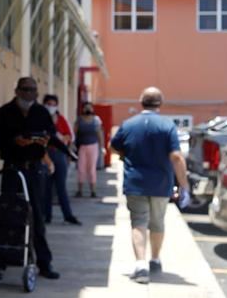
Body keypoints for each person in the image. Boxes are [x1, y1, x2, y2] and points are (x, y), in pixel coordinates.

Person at [110, 87, 190, 284]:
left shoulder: (128, 124)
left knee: (138, 222)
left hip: (135, 182)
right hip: (161, 184)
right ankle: (154, 259)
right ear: (160, 103)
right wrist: (184, 185)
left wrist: (124, 156)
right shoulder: (167, 126)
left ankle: (140, 264)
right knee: (157, 222)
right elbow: (176, 157)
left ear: (141, 102)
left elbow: (113, 146)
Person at [0, 77, 61, 279]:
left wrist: (45, 141)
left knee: (38, 216)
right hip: (13, 170)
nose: (30, 94)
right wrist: (14, 142)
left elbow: (52, 136)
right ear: (18, 90)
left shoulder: (41, 112)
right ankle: (1, 260)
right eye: (26, 89)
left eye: (34, 90)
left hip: (35, 171)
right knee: (8, 213)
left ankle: (44, 263)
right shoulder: (4, 112)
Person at [42, 94, 81, 225]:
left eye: (53, 104)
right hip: (45, 154)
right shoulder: (41, 118)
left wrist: (64, 139)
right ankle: (46, 215)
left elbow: (70, 136)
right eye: (49, 104)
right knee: (46, 187)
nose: (51, 107)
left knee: (61, 187)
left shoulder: (61, 119)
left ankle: (68, 215)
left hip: (59, 155)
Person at [74, 102, 105, 198]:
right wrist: (73, 145)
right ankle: (80, 190)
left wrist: (102, 147)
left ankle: (93, 191)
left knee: (91, 169)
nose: (87, 109)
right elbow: (74, 133)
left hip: (93, 146)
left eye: (89, 107)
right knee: (81, 169)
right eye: (86, 107)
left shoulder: (96, 120)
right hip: (82, 146)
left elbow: (100, 134)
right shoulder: (79, 120)